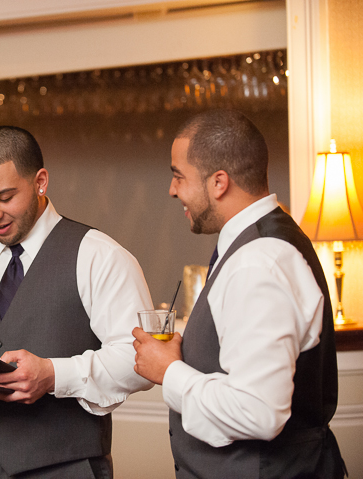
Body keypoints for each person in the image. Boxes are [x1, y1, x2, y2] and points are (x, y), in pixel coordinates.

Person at [0, 125, 154, 478]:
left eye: (5, 197)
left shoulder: (100, 256)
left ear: (40, 181)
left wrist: (54, 375)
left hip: (64, 469)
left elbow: (138, 358)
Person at [132, 109, 347, 478]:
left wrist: (170, 372)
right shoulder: (259, 244)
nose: (172, 190)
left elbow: (258, 411)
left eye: (179, 176)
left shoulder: (258, 261)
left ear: (219, 182)